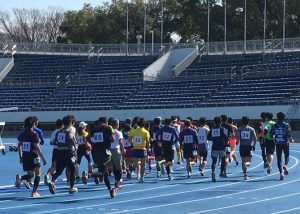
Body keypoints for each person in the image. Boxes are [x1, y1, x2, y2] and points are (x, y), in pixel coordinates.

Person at [15, 116, 47, 198]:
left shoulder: (22, 134)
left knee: (31, 175)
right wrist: (43, 158)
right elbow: (37, 146)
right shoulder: (34, 134)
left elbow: (19, 146)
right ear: (33, 124)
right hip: (34, 155)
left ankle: (21, 178)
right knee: (38, 174)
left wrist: (20, 157)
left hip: (25, 156)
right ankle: (34, 192)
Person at [47, 115, 78, 195]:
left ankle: (52, 182)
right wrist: (74, 144)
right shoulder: (72, 129)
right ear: (71, 122)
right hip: (69, 152)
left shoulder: (59, 131)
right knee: (72, 169)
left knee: (59, 170)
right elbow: (71, 137)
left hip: (59, 152)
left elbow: (54, 142)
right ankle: (71, 187)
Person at [87, 117, 116, 198]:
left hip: (95, 152)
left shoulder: (94, 129)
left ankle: (110, 189)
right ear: (106, 122)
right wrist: (107, 141)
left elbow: (87, 138)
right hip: (105, 152)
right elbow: (113, 139)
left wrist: (94, 143)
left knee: (105, 173)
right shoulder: (108, 128)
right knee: (105, 169)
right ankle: (89, 175)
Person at [272, 112, 293, 180]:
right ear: (283, 117)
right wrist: (291, 139)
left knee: (279, 159)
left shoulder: (275, 125)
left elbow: (271, 133)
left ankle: (281, 173)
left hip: (278, 143)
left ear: (277, 117)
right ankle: (285, 165)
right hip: (285, 143)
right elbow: (289, 133)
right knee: (286, 156)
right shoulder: (286, 125)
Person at [129, 117, 150, 182]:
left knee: (137, 163)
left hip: (137, 149)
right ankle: (141, 176)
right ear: (144, 124)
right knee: (142, 164)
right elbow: (148, 141)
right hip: (141, 149)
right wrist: (148, 148)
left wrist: (132, 143)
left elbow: (129, 139)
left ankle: (140, 175)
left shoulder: (135, 131)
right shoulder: (146, 132)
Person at [207, 116, 228, 182]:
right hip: (222, 146)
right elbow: (226, 136)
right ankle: (221, 172)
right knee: (223, 160)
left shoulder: (212, 129)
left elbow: (208, 137)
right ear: (221, 122)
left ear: (214, 122)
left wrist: (214, 139)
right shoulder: (222, 129)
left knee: (214, 161)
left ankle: (213, 172)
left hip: (214, 147)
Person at [236, 116, 257, 180]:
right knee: (248, 162)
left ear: (242, 122)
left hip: (242, 146)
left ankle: (245, 175)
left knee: (243, 160)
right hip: (248, 146)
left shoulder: (239, 129)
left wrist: (237, 142)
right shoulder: (251, 129)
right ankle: (245, 165)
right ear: (248, 121)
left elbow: (238, 138)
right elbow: (255, 138)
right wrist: (254, 145)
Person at [44, 119, 63, 186]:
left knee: (53, 166)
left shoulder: (54, 132)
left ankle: (48, 175)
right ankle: (69, 182)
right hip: (62, 151)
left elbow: (51, 142)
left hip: (55, 150)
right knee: (62, 168)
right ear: (62, 125)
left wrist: (56, 143)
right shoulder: (63, 131)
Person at [109, 119, 125, 189]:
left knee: (112, 166)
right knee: (118, 167)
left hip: (109, 150)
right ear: (117, 125)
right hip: (116, 150)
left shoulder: (108, 131)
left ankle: (117, 180)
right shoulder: (118, 132)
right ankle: (118, 182)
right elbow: (120, 142)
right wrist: (123, 149)